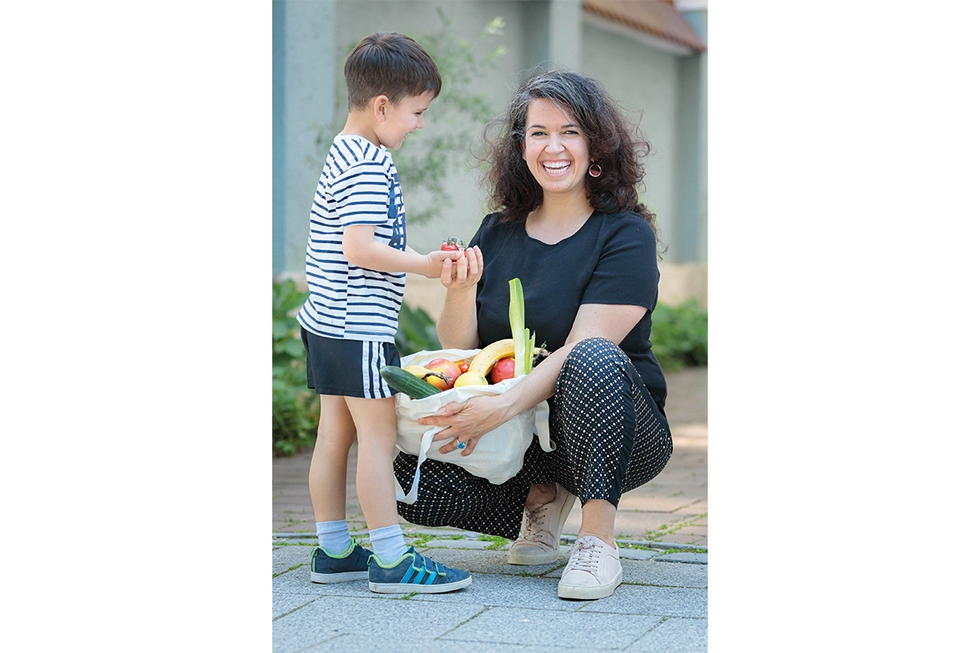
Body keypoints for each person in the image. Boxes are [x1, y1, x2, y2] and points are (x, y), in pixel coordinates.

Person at [393, 70, 673, 600]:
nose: (553, 146)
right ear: (521, 147)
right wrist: (460, 290)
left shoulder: (625, 234)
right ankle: (541, 495)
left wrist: (494, 411)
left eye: (570, 131)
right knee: (411, 479)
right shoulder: (496, 231)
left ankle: (597, 540)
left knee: (589, 357)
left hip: (618, 431)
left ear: (596, 147)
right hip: (522, 429)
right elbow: (464, 349)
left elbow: (582, 350)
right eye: (538, 132)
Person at [297, 32, 471, 594]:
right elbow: (361, 248)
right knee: (376, 437)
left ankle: (333, 550)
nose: (419, 124)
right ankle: (393, 560)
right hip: (359, 327)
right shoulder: (370, 162)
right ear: (381, 106)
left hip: (325, 320)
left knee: (335, 435)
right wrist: (422, 265)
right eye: (416, 112)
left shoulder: (342, 150)